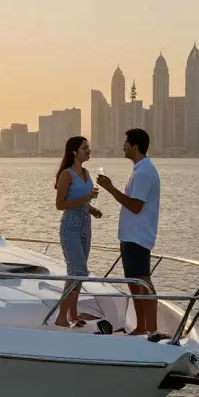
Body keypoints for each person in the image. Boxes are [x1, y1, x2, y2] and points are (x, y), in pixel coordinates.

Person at [96, 128, 163, 338]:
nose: (122, 146)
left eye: (125, 143)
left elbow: (135, 206)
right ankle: (144, 326)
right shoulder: (141, 169)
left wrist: (110, 188)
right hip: (133, 236)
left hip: (137, 236)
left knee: (141, 281)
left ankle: (149, 327)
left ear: (134, 146)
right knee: (137, 282)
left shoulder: (143, 173)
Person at [53, 136, 103, 328]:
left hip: (85, 224)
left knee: (78, 272)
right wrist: (85, 198)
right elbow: (60, 205)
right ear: (74, 151)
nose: (88, 151)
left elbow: (83, 201)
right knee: (78, 271)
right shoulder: (67, 175)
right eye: (85, 148)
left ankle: (73, 315)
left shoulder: (85, 172)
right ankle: (61, 317)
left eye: (88, 147)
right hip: (71, 226)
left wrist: (92, 208)